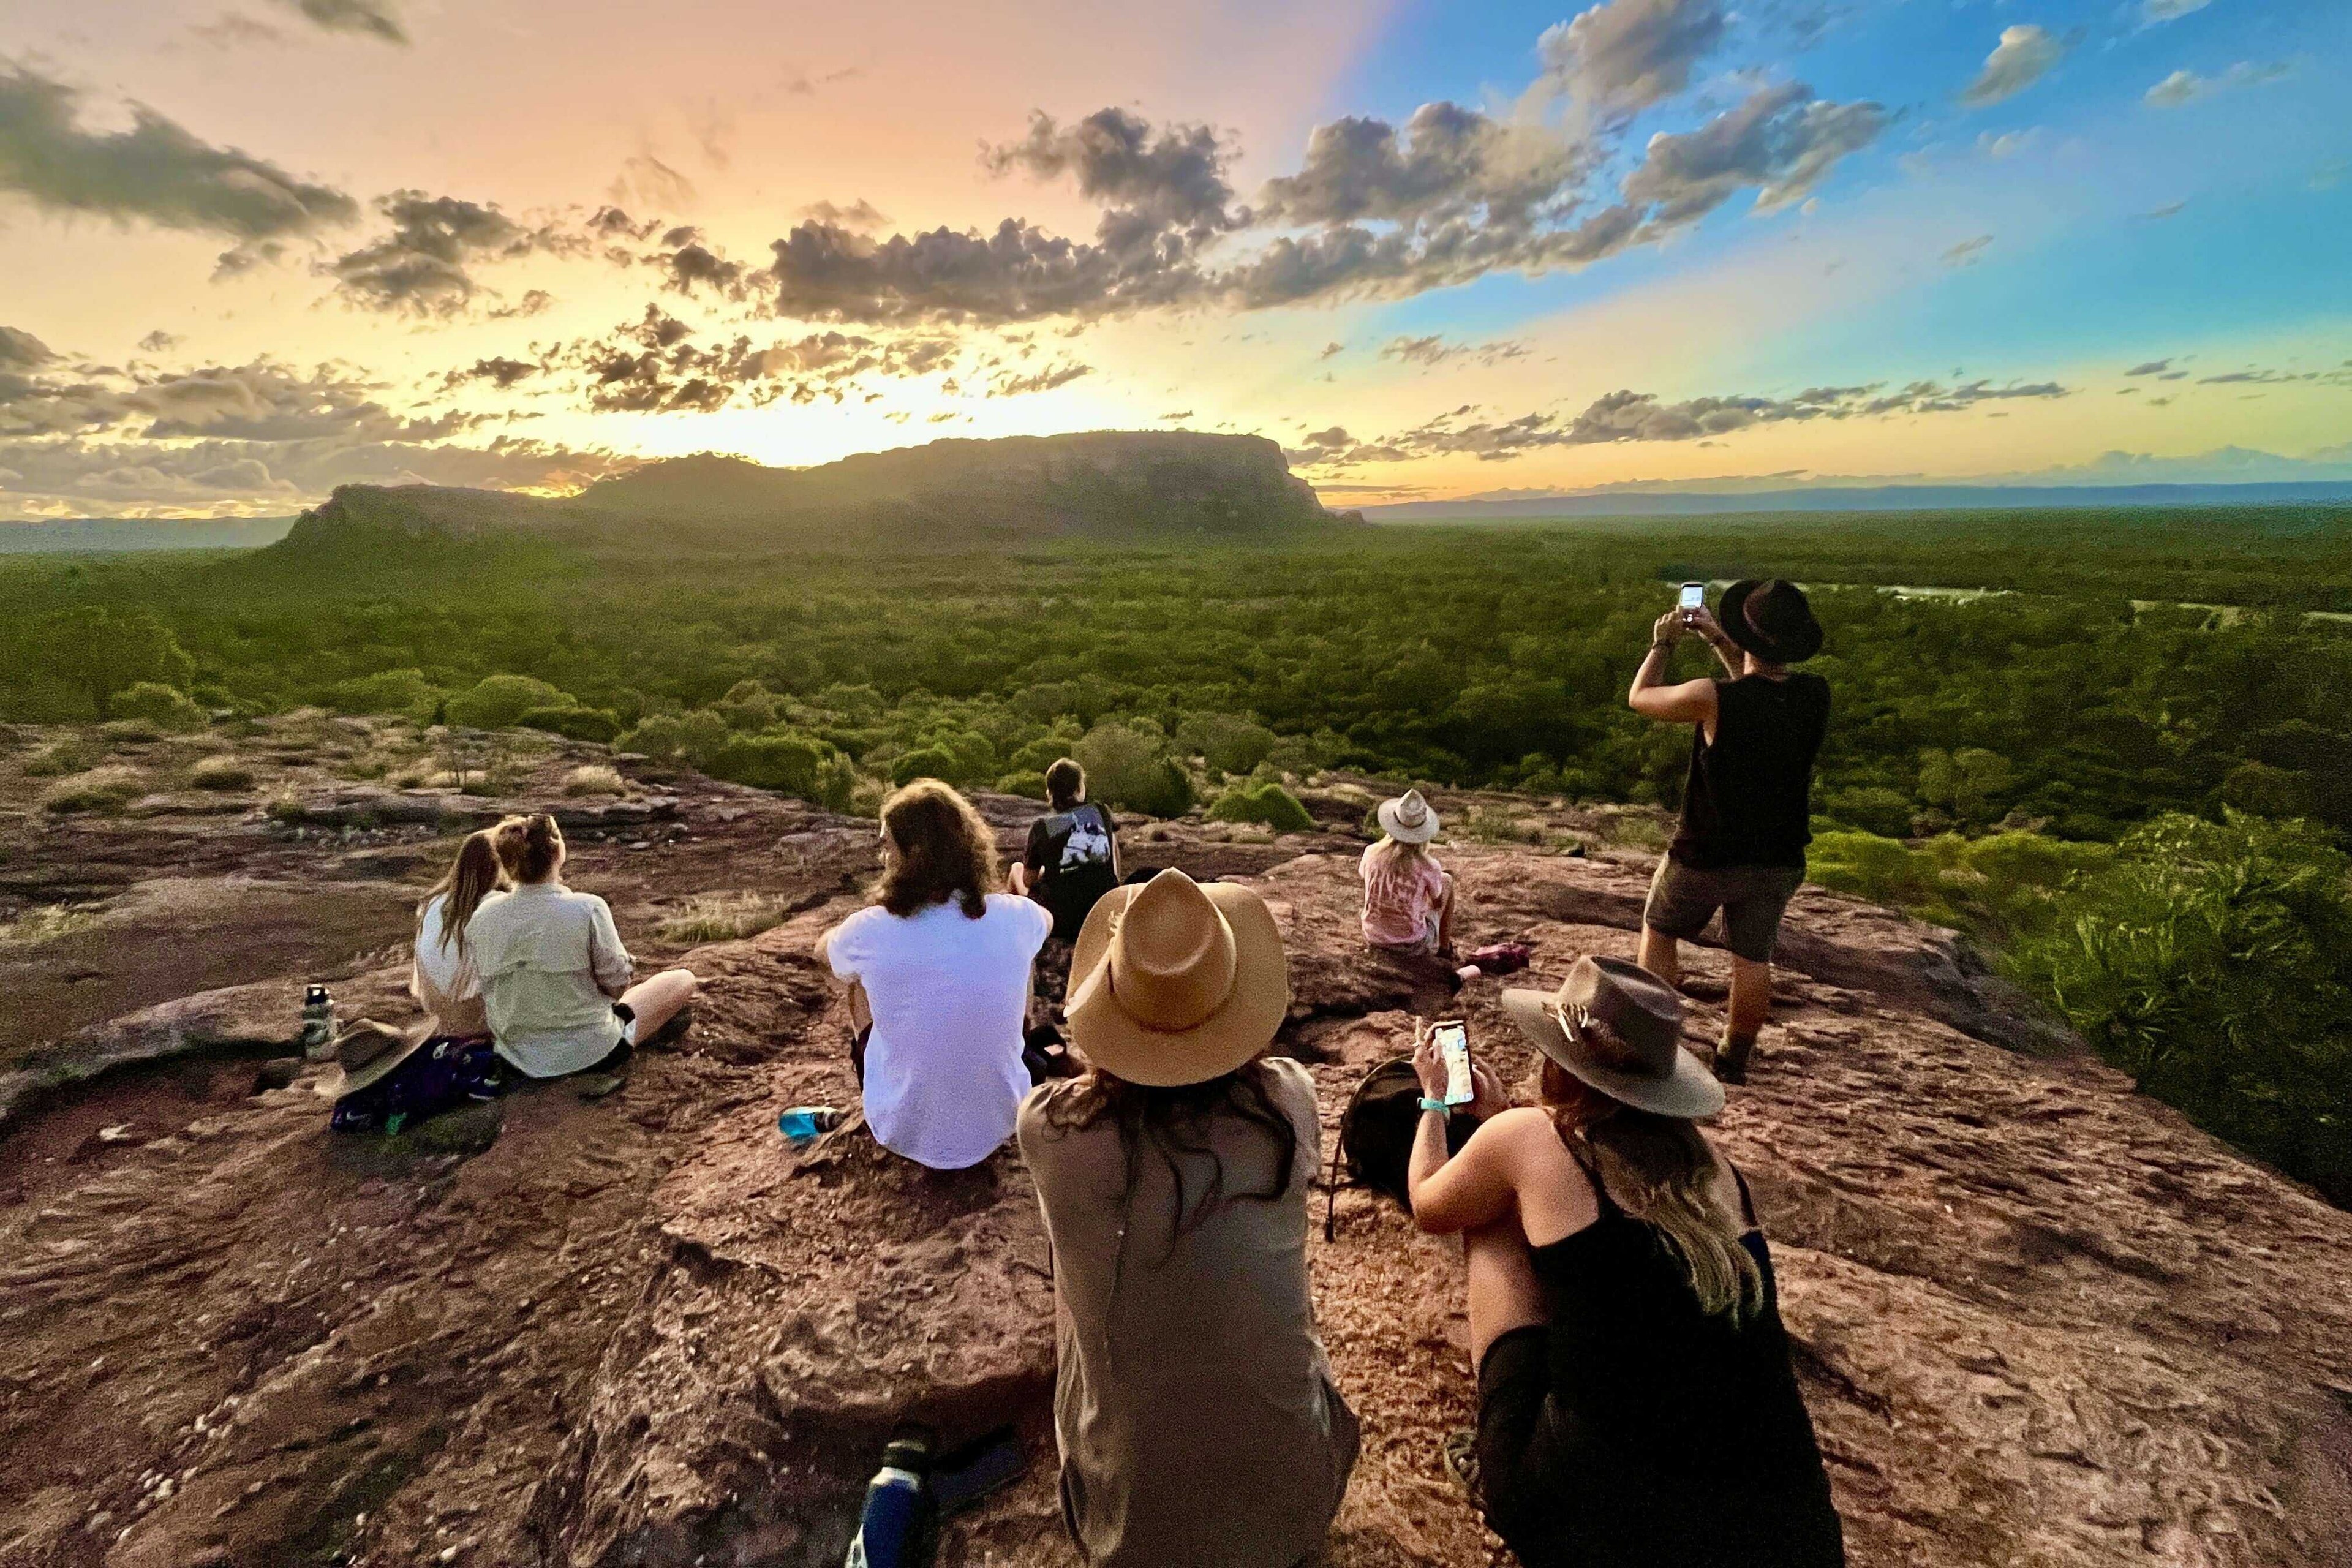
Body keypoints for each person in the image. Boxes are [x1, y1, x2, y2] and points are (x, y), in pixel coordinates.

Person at [1405, 954, 1844, 1568]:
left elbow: (1430, 1203)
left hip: (1605, 1528)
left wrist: (1434, 1102)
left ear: (1556, 1061)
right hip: (1792, 1536)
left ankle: (1498, 1451)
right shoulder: (1714, 1170)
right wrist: (1504, 1125)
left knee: (1494, 1215)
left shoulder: (1527, 1139)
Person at [1019, 868, 1359, 1568]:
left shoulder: (1049, 1130)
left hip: (1130, 1538)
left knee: (1080, 1266)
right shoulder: (1291, 1101)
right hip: (1291, 1515)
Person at [1628, 579, 1830, 1083]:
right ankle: (1734, 1057)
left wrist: (1664, 643)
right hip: (1779, 857)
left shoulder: (1709, 698)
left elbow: (1641, 698)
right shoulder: (1814, 695)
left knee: (1661, 929)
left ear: (1750, 637)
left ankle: (1653, 1043)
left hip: (1706, 853)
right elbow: (1758, 690)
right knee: (1752, 958)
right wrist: (1720, 641)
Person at [818, 779, 1054, 1170]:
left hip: (899, 1129)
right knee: (1025, 952)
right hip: (1003, 1118)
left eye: (887, 844)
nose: (883, 855)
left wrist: (848, 935)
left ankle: (897, 1078)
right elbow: (1045, 920)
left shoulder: (869, 930)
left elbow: (821, 954)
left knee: (856, 977)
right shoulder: (1017, 917)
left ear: (911, 855)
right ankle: (1013, 1045)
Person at [465, 813, 699, 1085]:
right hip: (591, 1054)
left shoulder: (484, 914)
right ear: (558, 851)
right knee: (683, 979)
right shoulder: (587, 908)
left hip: (518, 1061)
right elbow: (617, 985)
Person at [409, 823, 516, 1039]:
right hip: (479, 1022)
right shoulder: (497, 904)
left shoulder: (431, 904)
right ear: (498, 867)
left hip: (440, 1018)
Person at [1010, 758, 1121, 943]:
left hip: (1062, 922)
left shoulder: (1042, 828)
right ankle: (1115, 883)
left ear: (1049, 793)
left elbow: (1028, 881)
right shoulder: (1101, 811)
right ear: (1079, 789)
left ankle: (1023, 939)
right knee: (1112, 838)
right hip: (1103, 911)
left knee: (1016, 870)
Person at [1360, 788, 1455, 957]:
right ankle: (1445, 950)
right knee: (1446, 880)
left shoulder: (1370, 852)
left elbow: (1365, 878)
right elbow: (1438, 904)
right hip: (1411, 945)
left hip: (1373, 938)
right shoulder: (1429, 865)